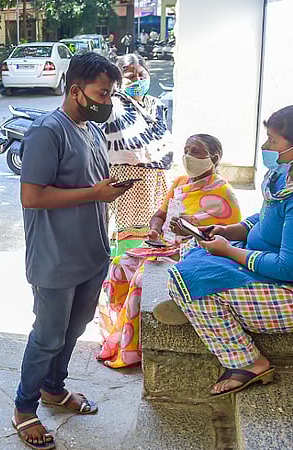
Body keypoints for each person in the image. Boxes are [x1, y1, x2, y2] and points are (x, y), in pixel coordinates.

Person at [154, 105, 293, 398]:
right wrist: (228, 231)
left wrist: (229, 252)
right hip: (267, 272)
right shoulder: (286, 175)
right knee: (193, 248)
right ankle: (200, 307)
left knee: (183, 278)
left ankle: (248, 362)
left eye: (273, 141)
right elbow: (263, 222)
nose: (265, 146)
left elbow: (290, 268)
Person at [10, 52, 127, 450]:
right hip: (55, 257)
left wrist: (105, 188)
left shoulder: (90, 129)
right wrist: (94, 192)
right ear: (76, 91)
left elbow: (87, 182)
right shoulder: (47, 131)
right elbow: (32, 196)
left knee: (73, 330)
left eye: (111, 93)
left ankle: (53, 390)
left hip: (91, 252)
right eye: (102, 93)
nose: (107, 101)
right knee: (47, 336)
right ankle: (25, 409)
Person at [97, 134, 242, 369]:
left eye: (196, 152)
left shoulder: (224, 194)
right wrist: (154, 231)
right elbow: (159, 215)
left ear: (213, 158)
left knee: (142, 280)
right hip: (161, 246)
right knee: (118, 265)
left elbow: (223, 237)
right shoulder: (180, 182)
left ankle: (134, 347)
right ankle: (119, 333)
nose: (188, 156)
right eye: (186, 150)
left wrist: (189, 229)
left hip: (191, 253)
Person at [102, 53, 171, 241]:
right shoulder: (113, 105)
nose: (138, 80)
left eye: (142, 75)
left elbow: (162, 141)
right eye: (131, 76)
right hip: (123, 178)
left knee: (152, 230)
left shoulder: (156, 105)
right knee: (122, 232)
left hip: (154, 178)